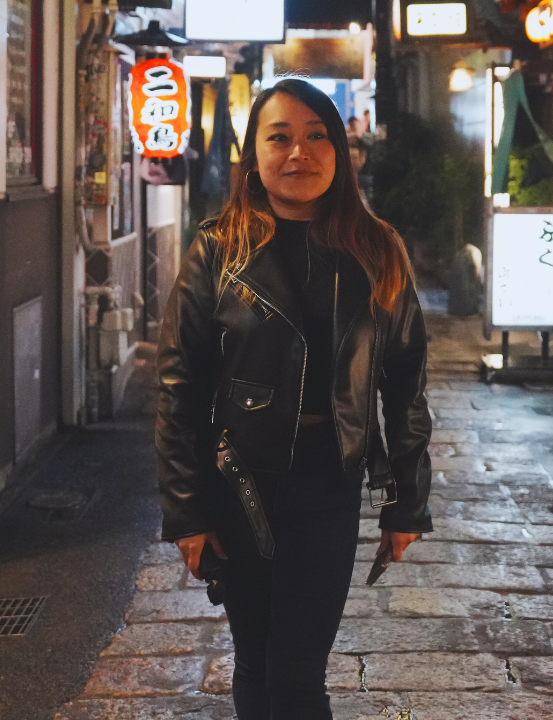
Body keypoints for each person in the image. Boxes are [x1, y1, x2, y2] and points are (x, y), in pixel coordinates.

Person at [156, 78, 432, 720]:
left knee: (300, 671)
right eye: (279, 137)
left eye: (316, 137)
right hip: (239, 486)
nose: (298, 152)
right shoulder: (217, 250)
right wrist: (187, 512)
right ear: (253, 155)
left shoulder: (376, 248)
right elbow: (179, 388)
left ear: (340, 152)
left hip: (328, 485)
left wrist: (407, 503)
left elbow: (406, 381)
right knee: (256, 664)